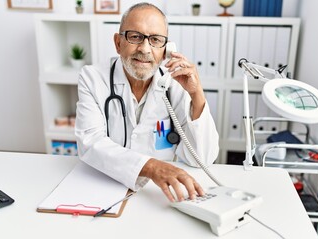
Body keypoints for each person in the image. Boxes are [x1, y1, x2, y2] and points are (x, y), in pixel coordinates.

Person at [75, 2, 219, 202]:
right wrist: (152, 167)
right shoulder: (93, 78)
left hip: (161, 195)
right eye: (135, 37)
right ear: (118, 43)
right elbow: (90, 143)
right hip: (106, 186)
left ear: (166, 49)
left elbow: (201, 159)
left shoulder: (175, 83)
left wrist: (197, 94)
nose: (144, 49)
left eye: (155, 40)